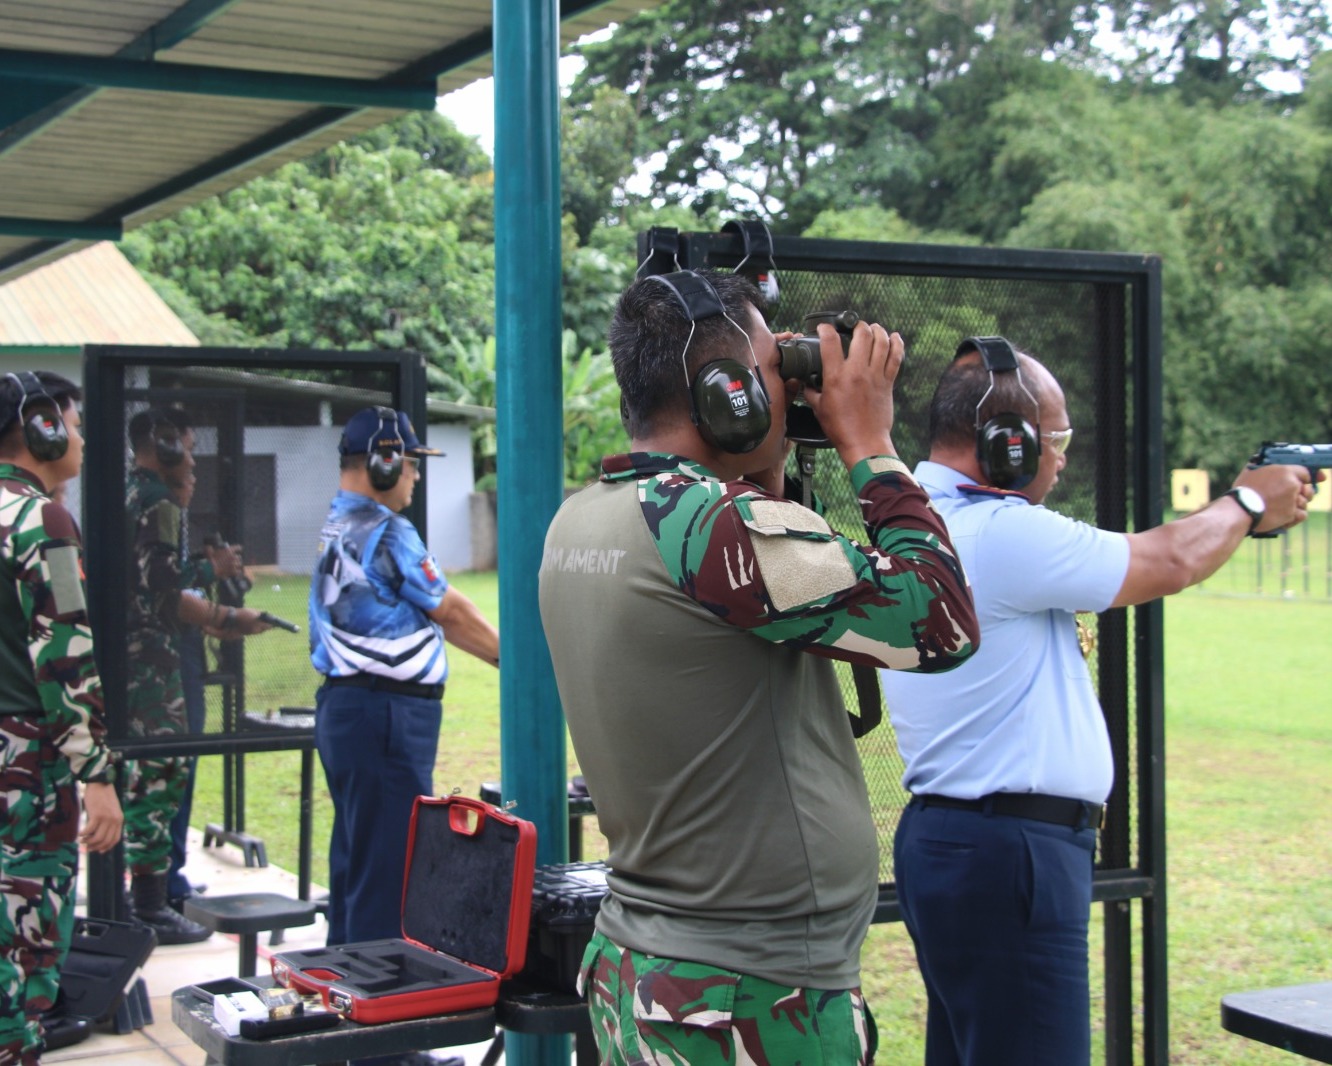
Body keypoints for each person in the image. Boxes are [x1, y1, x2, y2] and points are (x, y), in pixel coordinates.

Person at [538, 269, 980, 1066]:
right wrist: (870, 444)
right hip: (744, 997)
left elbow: (755, 572)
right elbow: (939, 621)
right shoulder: (711, 528)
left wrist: (762, 453)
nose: (800, 389)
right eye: (782, 373)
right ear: (728, 395)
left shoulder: (585, 517)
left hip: (652, 972)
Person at [877, 338, 1318, 1066]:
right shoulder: (1000, 532)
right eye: (1055, 440)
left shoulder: (918, 521)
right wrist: (1247, 500)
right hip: (1009, 852)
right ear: (1006, 443)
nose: (1062, 459)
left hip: (959, 842)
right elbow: (1169, 559)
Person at [309, 407, 500, 949]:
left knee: (357, 864)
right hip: (384, 717)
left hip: (350, 712)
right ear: (383, 462)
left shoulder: (338, 521)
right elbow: (453, 612)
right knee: (390, 875)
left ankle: (349, 997)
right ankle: (386, 1014)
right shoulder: (387, 531)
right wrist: (519, 664)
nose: (416, 475)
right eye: (410, 463)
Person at [0, 371, 123, 1065]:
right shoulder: (40, 519)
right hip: (28, 767)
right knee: (24, 949)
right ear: (42, 427)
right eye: (71, 423)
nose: (77, 437)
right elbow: (65, 655)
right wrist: (96, 775)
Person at [124, 407, 269, 944]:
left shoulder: (131, 493)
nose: (190, 459)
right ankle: (151, 905)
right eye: (183, 447)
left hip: (141, 654)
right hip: (154, 657)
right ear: (163, 447)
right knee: (161, 776)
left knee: (151, 774)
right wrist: (215, 574)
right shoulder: (157, 501)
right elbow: (160, 583)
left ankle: (153, 894)